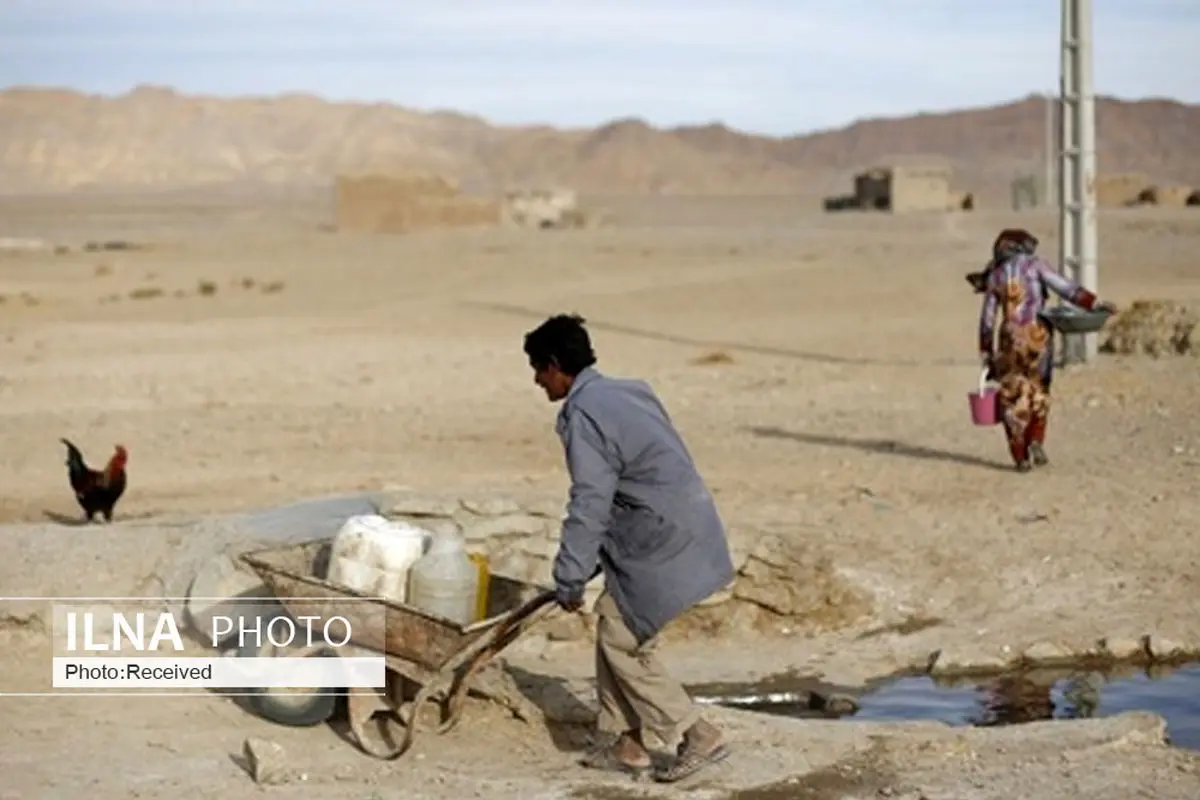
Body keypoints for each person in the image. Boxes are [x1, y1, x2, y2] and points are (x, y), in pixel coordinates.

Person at [522, 313, 735, 783]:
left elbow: (591, 499)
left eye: (539, 369)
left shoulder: (583, 413)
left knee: (623, 638)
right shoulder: (628, 390)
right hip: (681, 524)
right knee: (615, 626)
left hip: (660, 539)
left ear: (556, 365)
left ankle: (694, 732)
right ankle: (627, 744)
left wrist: (571, 575)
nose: (537, 381)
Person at [974, 228, 1117, 471]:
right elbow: (1067, 289)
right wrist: (1095, 303)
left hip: (1010, 340)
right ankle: (1036, 440)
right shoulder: (1036, 265)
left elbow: (987, 318)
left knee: (1011, 395)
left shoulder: (996, 275)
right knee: (1039, 388)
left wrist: (987, 350)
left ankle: (1020, 456)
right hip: (1038, 336)